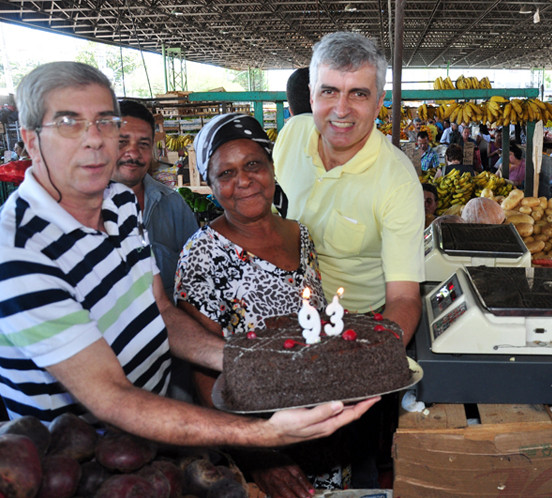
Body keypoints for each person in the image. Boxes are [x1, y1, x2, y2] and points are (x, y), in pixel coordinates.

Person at [0, 61, 376, 448]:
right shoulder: (18, 253)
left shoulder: (119, 205)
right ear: (31, 140)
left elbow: (162, 312)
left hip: (155, 434)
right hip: (77, 461)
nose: (94, 140)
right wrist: (264, 434)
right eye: (69, 123)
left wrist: (251, 360)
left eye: (105, 122)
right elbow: (111, 396)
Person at [178, 113, 348, 494]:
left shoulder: (300, 235)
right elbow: (202, 372)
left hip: (320, 420)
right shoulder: (200, 256)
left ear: (272, 168)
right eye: (226, 174)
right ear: (211, 185)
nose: (243, 181)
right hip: (256, 433)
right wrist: (258, 457)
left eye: (253, 164)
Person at [272, 31, 424, 345]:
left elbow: (405, 298)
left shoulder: (398, 181)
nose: (341, 110)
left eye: (358, 94)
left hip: (356, 326)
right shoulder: (290, 136)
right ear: (312, 95)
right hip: (279, 314)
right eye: (329, 91)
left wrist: (373, 360)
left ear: (380, 102)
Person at [113, 100, 198, 299]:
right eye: (122, 142)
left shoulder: (173, 205)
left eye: (143, 144)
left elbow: (197, 277)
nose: (133, 153)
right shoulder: (84, 210)